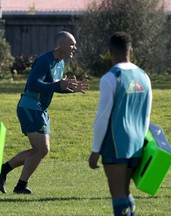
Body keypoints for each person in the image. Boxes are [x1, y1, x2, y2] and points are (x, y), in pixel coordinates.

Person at [0, 31, 89, 194]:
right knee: (42, 149)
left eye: (75, 45)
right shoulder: (44, 60)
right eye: (72, 44)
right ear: (60, 45)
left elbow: (52, 86)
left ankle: (6, 174)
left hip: (40, 108)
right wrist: (58, 86)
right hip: (30, 106)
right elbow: (33, 85)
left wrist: (70, 89)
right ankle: (18, 184)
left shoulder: (61, 63)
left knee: (39, 150)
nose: (74, 48)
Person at [88, 32, 152, 216]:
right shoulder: (144, 76)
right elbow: (146, 114)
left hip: (116, 143)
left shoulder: (111, 77)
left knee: (117, 195)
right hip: (137, 143)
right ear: (131, 50)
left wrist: (95, 151)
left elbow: (103, 117)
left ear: (110, 52)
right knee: (126, 192)